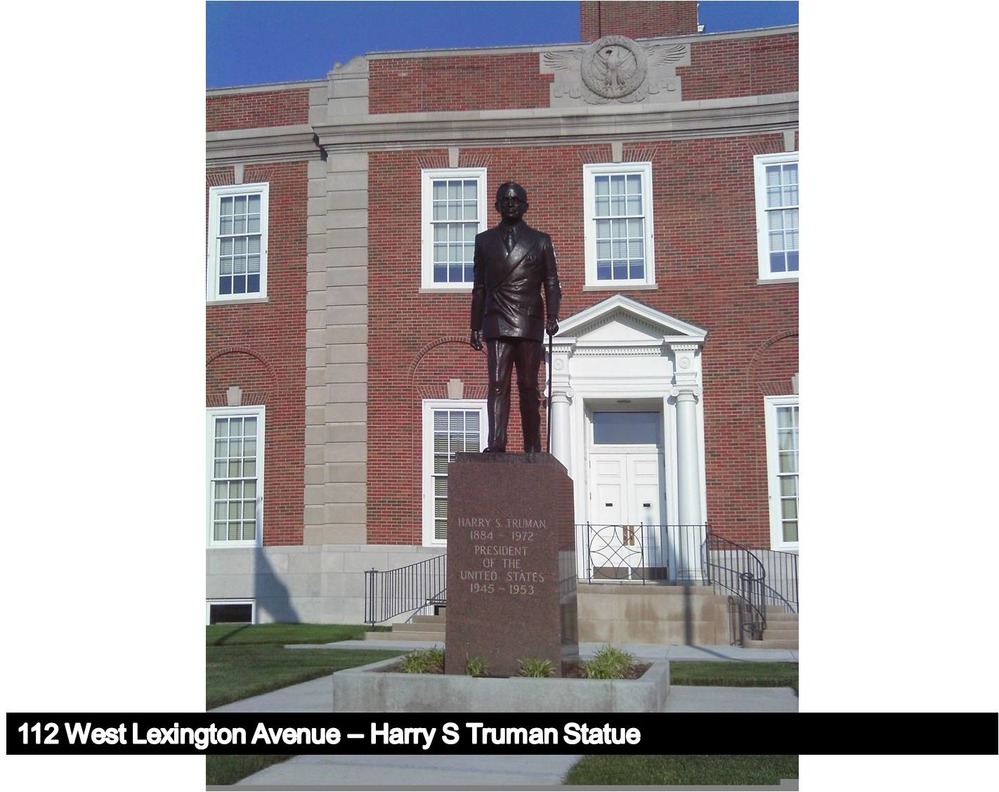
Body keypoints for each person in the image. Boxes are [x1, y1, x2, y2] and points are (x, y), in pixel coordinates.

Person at [470, 182, 561, 453]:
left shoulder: (540, 240)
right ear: (497, 206)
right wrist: (474, 326)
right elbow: (479, 287)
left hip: (529, 318)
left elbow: (552, 281)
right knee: (497, 383)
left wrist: (553, 314)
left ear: (525, 206)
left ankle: (532, 445)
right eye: (505, 200)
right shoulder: (483, 241)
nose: (510, 204)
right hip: (496, 316)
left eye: (516, 200)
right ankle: (496, 442)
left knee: (528, 384)